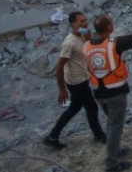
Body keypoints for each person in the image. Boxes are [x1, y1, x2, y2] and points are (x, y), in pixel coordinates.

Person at [85, 5, 132, 172]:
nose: (112, 24)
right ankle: (112, 164)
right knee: (115, 127)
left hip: (98, 91)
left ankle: (115, 150)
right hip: (115, 92)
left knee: (111, 123)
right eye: (111, 23)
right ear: (109, 27)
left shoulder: (87, 45)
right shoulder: (114, 43)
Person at [44, 11, 107, 149]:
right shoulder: (69, 43)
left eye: (85, 20)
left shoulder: (83, 36)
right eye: (81, 22)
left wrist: (89, 38)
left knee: (75, 107)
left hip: (82, 77)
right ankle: (99, 135)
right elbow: (59, 67)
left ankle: (52, 136)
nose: (85, 23)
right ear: (73, 25)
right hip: (76, 80)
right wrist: (62, 90)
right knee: (92, 107)